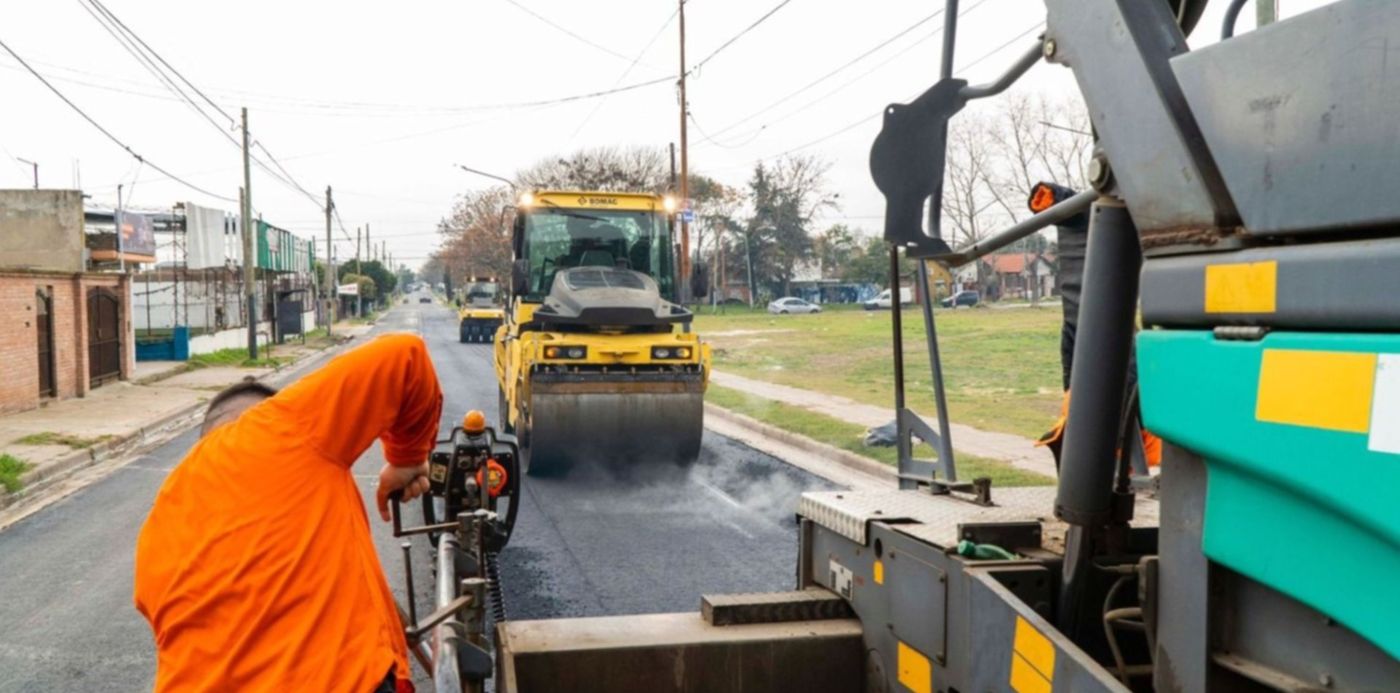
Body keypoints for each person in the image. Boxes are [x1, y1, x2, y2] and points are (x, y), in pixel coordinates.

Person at [134, 333, 443, 692]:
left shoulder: (157, 524)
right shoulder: (280, 425)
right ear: (266, 411)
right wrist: (407, 459)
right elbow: (405, 356)